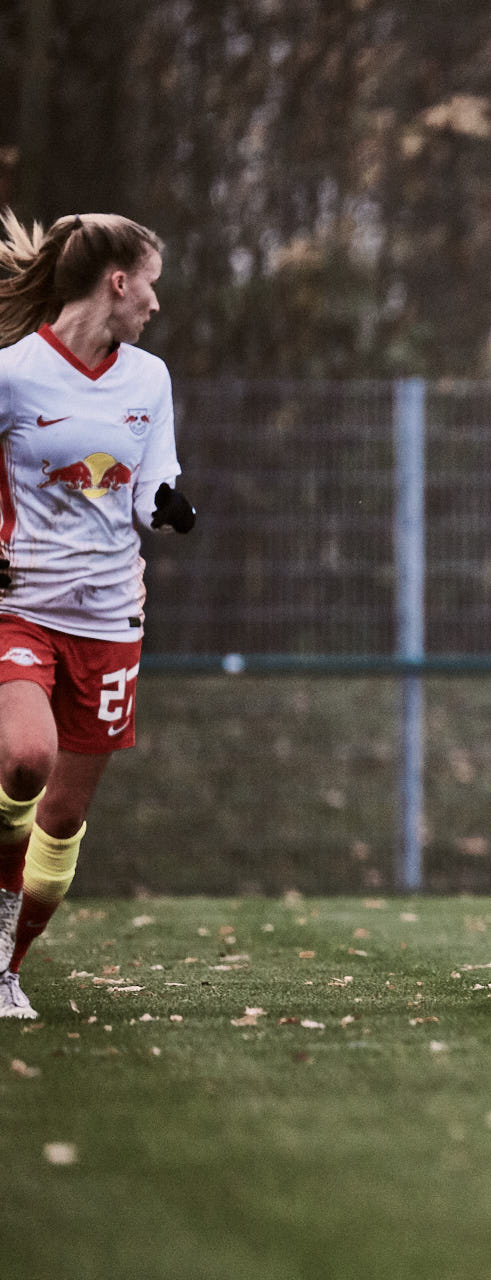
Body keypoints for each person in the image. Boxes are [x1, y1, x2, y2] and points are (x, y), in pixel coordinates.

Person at [0, 210, 197, 1020]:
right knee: (25, 761)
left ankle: (6, 970)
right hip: (21, 608)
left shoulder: (149, 379)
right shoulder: (14, 374)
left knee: (63, 817)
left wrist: (170, 508)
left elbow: (149, 488)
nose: (155, 302)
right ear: (118, 282)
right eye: (150, 284)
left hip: (110, 621)